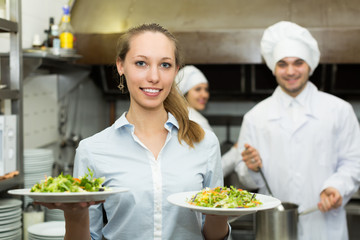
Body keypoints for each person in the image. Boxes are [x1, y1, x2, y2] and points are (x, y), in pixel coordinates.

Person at [38, 23, 229, 240]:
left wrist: (223, 212)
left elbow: (213, 233)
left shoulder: (205, 143)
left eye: (165, 65)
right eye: (141, 63)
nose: (154, 77)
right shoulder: (92, 150)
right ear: (121, 66)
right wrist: (74, 215)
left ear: (176, 71)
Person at [222, 21, 360, 240]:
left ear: (310, 65)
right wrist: (252, 168)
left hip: (324, 225)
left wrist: (336, 187)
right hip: (274, 227)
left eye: (298, 63)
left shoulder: (339, 111)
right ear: (273, 68)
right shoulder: (256, 117)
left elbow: (354, 162)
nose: (290, 71)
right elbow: (246, 178)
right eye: (282, 64)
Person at [175, 65, 213, 131]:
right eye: (198, 89)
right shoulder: (197, 121)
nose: (204, 95)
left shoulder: (175, 116)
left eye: (206, 90)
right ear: (185, 94)